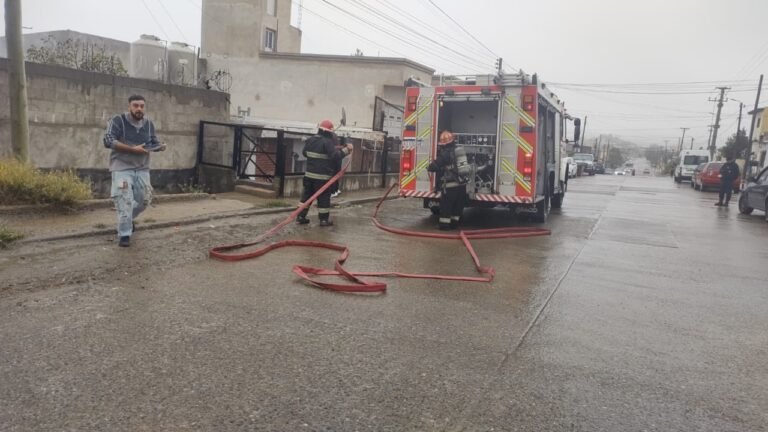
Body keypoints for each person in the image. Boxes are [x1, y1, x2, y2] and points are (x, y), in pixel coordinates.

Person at [103, 95, 165, 247]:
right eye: (135, 105)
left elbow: (153, 142)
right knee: (124, 200)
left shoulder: (148, 124)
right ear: (129, 106)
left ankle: (128, 220)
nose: (139, 109)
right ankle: (124, 234)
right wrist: (132, 149)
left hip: (142, 168)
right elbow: (108, 140)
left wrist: (159, 147)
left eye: (142, 106)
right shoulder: (118, 120)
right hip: (122, 167)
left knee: (145, 200)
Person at [296, 120, 353, 226]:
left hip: (309, 176)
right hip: (322, 179)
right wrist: (346, 151)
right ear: (329, 132)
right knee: (323, 199)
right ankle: (323, 220)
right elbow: (335, 156)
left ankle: (300, 217)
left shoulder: (311, 140)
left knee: (306, 197)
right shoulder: (328, 142)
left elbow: (304, 153)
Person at [427, 130, 469, 230]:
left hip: (450, 186)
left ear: (444, 144)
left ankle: (444, 226)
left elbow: (434, 166)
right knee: (457, 206)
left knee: (446, 206)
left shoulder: (446, 153)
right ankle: (454, 224)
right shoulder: (459, 150)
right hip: (462, 185)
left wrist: (429, 167)